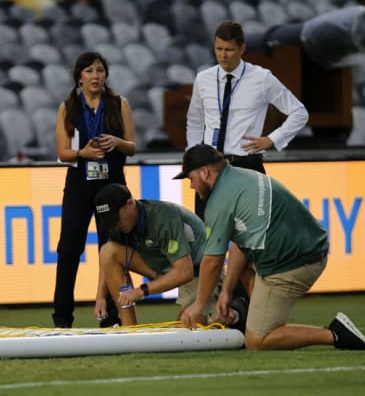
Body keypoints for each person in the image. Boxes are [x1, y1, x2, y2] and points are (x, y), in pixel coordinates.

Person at [175, 144, 365, 351]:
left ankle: (335, 334)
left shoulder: (218, 202)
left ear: (205, 172)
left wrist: (199, 305)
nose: (191, 185)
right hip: (308, 249)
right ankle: (247, 316)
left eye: (190, 178)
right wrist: (227, 290)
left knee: (257, 341)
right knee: (246, 280)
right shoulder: (241, 177)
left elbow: (212, 262)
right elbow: (239, 241)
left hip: (291, 264)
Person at [186, 20, 309, 298]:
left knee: (248, 246)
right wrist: (194, 156)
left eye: (229, 49)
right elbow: (194, 120)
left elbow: (299, 112)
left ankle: (255, 311)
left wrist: (272, 140)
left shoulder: (262, 78)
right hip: (210, 169)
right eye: (218, 49)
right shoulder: (204, 79)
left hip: (245, 166)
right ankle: (211, 307)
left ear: (242, 49)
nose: (223, 55)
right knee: (207, 244)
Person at [53, 51, 136, 329]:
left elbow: (133, 146)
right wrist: (83, 153)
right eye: (89, 71)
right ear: (79, 77)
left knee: (112, 248)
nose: (95, 76)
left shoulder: (118, 104)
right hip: (79, 183)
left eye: (100, 70)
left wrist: (117, 141)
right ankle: (62, 319)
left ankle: (112, 317)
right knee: (68, 249)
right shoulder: (68, 107)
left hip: (112, 184)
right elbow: (62, 152)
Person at [93, 183, 233, 328]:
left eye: (116, 218)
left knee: (187, 328)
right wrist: (101, 297)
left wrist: (141, 291)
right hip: (162, 266)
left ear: (130, 203)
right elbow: (106, 260)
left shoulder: (162, 218)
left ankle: (220, 318)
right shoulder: (119, 224)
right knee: (108, 251)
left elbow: (185, 272)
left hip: (197, 270)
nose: (115, 225)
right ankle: (129, 329)